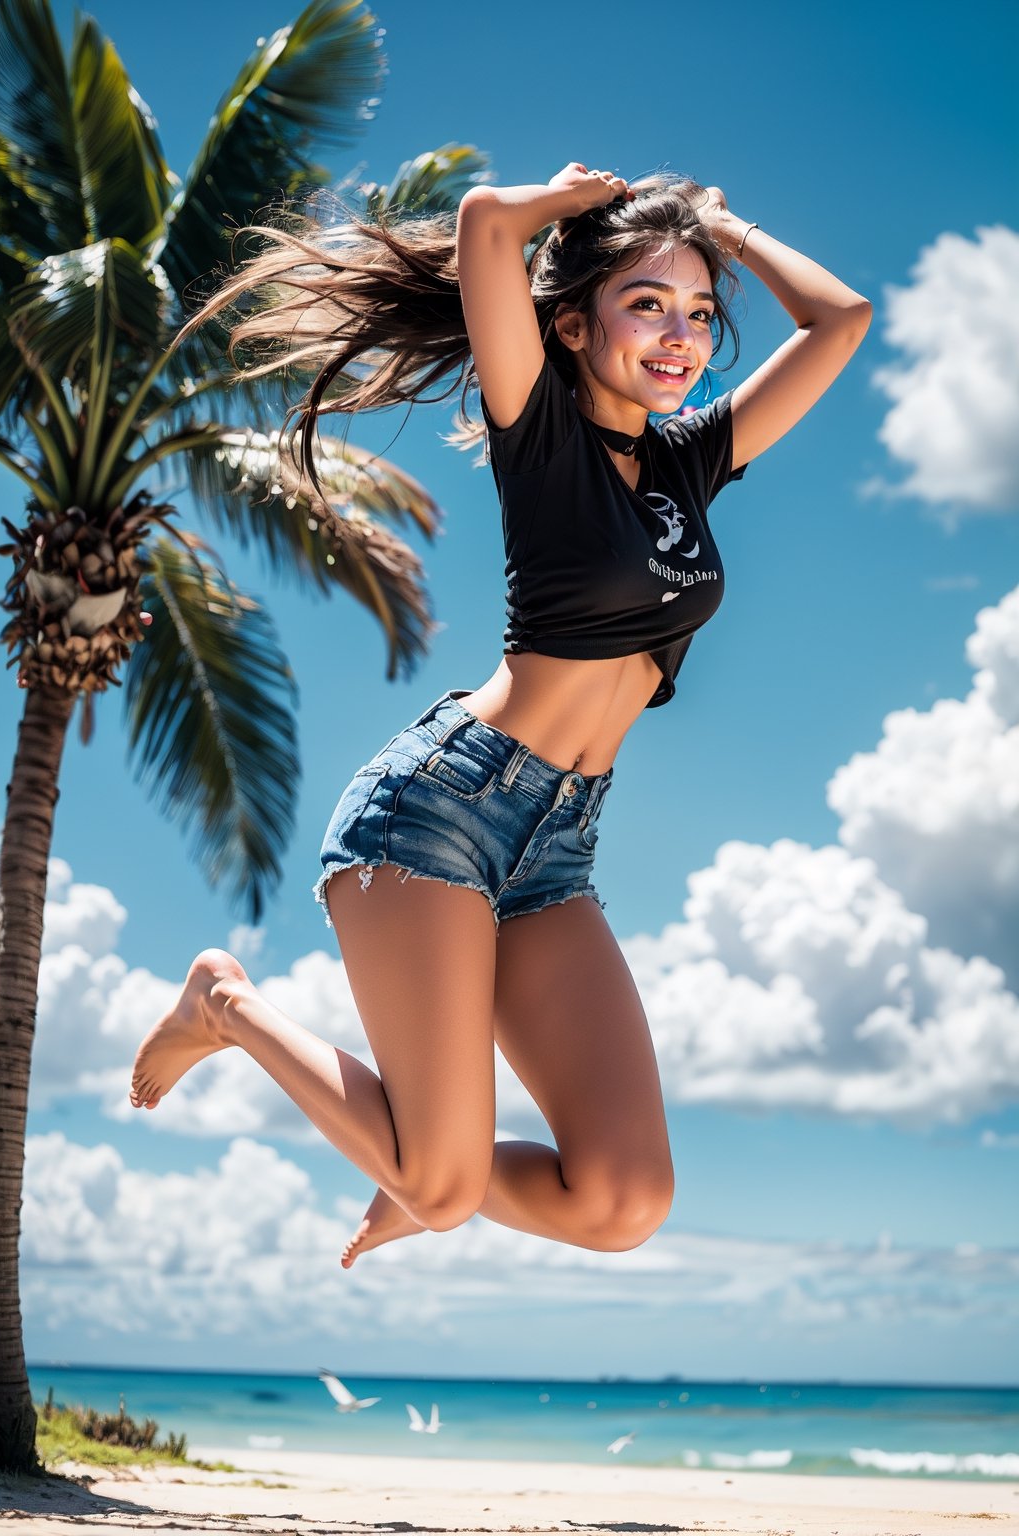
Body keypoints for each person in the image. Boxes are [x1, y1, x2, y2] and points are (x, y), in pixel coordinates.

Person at [130, 162, 870, 1268]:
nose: (681, 336)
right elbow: (484, 227)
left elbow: (840, 318)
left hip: (557, 848)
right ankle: (224, 1007)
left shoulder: (690, 460)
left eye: (701, 314)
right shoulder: (540, 433)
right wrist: (567, 201)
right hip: (439, 812)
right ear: (571, 325)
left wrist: (720, 225)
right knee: (438, 1178)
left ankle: (428, 1178)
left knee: (621, 1200)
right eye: (647, 304)